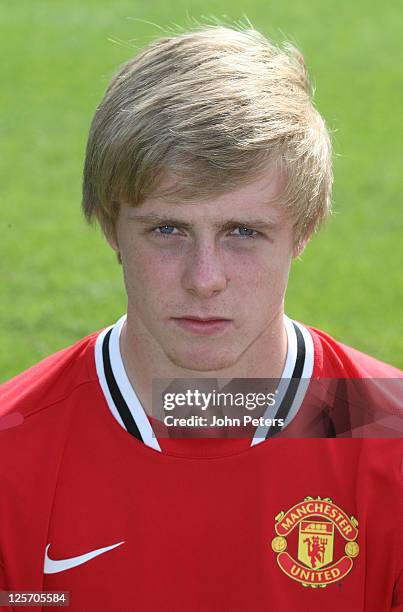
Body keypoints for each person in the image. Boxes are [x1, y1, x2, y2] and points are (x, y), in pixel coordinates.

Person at [0, 23, 402, 612]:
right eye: (168, 230)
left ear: (304, 231)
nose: (204, 278)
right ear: (112, 226)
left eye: (243, 232)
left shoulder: (389, 442)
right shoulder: (13, 455)